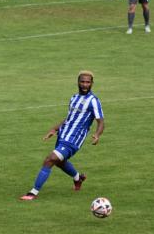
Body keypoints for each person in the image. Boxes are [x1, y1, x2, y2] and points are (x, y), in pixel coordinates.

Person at [20, 71, 105, 201]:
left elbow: (101, 121)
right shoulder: (74, 98)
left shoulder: (94, 101)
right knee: (60, 162)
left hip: (74, 139)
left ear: (92, 83)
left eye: (88, 82)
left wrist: (97, 134)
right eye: (82, 81)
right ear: (78, 82)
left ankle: (33, 192)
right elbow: (70, 118)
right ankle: (78, 178)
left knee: (50, 159)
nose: (85, 84)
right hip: (63, 135)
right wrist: (54, 129)